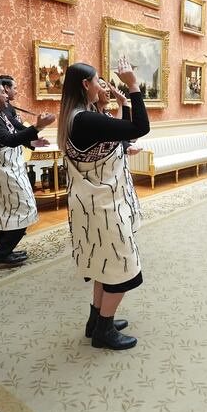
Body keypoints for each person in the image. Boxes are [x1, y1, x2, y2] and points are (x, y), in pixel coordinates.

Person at [58, 58, 150, 350]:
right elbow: (140, 128)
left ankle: (96, 321)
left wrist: (122, 104)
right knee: (124, 271)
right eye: (98, 81)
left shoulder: (76, 116)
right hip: (103, 208)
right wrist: (134, 86)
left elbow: (118, 134)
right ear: (86, 85)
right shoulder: (85, 119)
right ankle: (104, 331)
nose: (101, 85)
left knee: (103, 265)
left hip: (92, 205)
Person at [0, 77, 54, 265]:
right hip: (2, 170)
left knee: (10, 210)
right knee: (24, 207)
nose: (7, 96)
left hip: (8, 167)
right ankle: (1, 252)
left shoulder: (0, 111)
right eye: (3, 92)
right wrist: (39, 126)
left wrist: (33, 141)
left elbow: (15, 132)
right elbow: (9, 139)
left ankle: (2, 252)